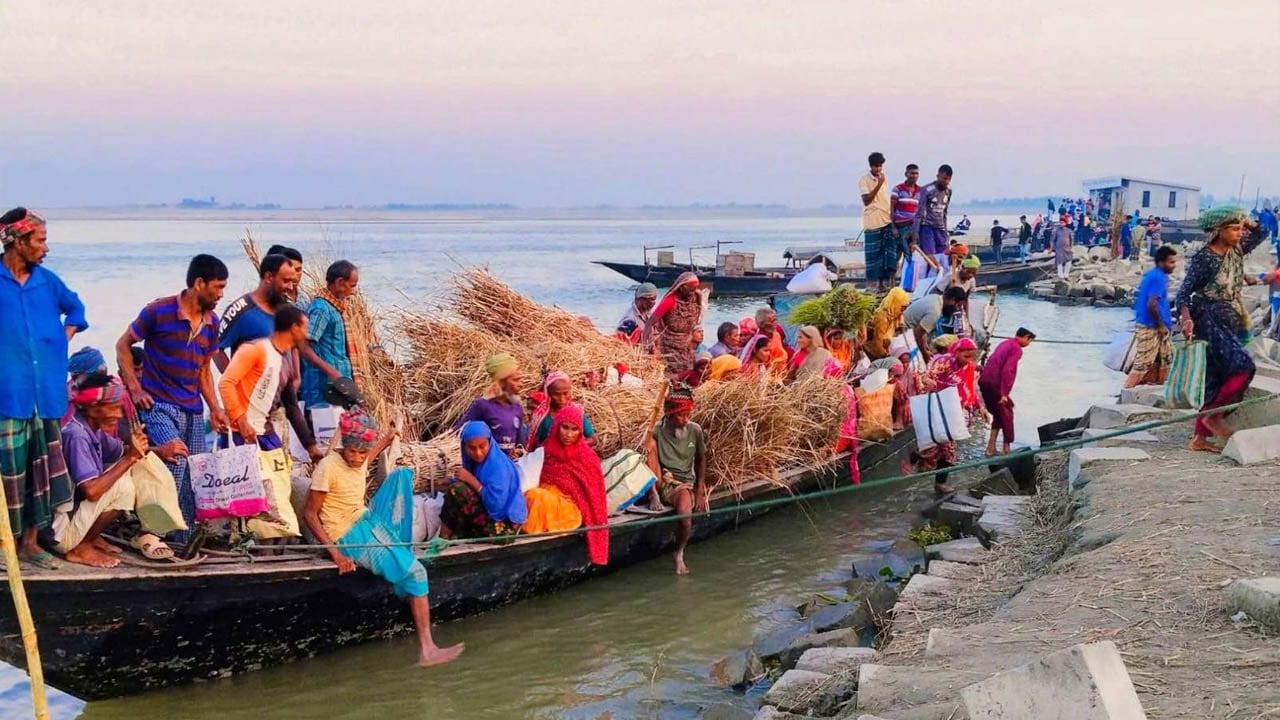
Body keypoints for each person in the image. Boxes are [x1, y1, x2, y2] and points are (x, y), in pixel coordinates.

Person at [303, 409, 463, 667]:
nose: (356, 458)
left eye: (361, 452)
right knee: (417, 573)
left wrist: (389, 438)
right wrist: (336, 554)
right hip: (347, 534)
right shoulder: (328, 467)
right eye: (351, 452)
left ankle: (405, 589)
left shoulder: (362, 457)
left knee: (400, 478)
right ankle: (427, 649)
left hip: (365, 521)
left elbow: (371, 455)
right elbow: (310, 514)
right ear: (344, 446)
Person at [116, 255, 230, 543]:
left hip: (193, 409)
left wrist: (215, 408)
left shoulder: (212, 322)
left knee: (193, 477)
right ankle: (154, 535)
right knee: (174, 462)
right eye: (217, 287)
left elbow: (204, 368)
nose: (221, 294)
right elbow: (123, 345)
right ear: (198, 283)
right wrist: (135, 387)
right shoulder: (159, 311)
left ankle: (184, 540)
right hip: (158, 405)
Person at [0, 208, 86, 569]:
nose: (45, 248)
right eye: (40, 240)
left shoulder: (48, 282)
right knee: (9, 470)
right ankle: (7, 544)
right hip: (9, 393)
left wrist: (60, 341)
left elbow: (76, 309)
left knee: (39, 473)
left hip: (45, 393)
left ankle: (31, 543)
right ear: (17, 243)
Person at [55, 377, 174, 567]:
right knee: (124, 484)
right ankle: (80, 547)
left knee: (133, 469)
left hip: (76, 520)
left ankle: (90, 539)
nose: (119, 415)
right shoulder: (76, 435)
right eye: (114, 408)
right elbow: (91, 492)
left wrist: (160, 450)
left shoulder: (92, 429)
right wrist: (130, 459)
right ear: (93, 408)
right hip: (62, 533)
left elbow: (124, 450)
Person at [1177, 208, 1267, 453]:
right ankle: (1212, 417)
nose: (1240, 233)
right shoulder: (1205, 258)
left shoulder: (1236, 250)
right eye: (1234, 229)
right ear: (1219, 231)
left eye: (1240, 229)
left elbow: (1262, 232)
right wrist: (1186, 320)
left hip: (1229, 317)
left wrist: (1244, 219)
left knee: (1216, 378)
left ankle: (1199, 438)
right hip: (1207, 316)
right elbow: (1183, 294)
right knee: (1243, 366)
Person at [218, 305, 310, 450]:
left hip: (264, 431)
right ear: (294, 328)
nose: (307, 335)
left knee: (280, 471)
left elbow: (291, 405)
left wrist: (310, 446)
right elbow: (226, 383)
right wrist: (241, 421)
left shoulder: (284, 362)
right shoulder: (255, 349)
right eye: (305, 329)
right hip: (240, 433)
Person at [645, 386, 707, 574]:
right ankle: (652, 493)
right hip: (663, 481)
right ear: (669, 416)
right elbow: (647, 459)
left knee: (685, 519)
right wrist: (655, 491)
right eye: (680, 416)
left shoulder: (694, 430)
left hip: (683, 483)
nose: (685, 420)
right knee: (650, 446)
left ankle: (679, 553)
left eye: (688, 414)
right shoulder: (656, 431)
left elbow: (701, 457)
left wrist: (700, 487)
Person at [538, 404, 609, 565]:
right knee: (534, 497)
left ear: (580, 432)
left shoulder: (588, 458)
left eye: (574, 429)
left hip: (570, 512)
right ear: (557, 426)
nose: (568, 434)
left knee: (538, 498)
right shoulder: (545, 451)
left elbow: (594, 497)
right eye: (565, 428)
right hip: (546, 503)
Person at [910, 337, 979, 494]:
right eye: (964, 350)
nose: (968, 353)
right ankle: (937, 481)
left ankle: (930, 474)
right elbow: (927, 377)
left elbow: (970, 389)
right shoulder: (945, 362)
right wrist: (929, 382)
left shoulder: (969, 367)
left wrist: (979, 407)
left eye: (971, 350)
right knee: (944, 449)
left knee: (944, 448)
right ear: (956, 351)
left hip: (952, 410)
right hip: (937, 409)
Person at [443, 422, 528, 538]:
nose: (478, 453)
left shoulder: (497, 466)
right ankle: (449, 536)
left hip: (505, 525)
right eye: (472, 448)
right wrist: (450, 481)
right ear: (465, 447)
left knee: (456, 490)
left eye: (482, 446)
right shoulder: (475, 463)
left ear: (490, 443)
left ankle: (445, 536)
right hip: (492, 515)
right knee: (455, 489)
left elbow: (496, 505)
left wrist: (471, 479)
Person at [215, 254, 301, 367]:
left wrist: (296, 377)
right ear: (269, 277)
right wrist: (233, 381)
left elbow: (293, 344)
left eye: (292, 282)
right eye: (286, 281)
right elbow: (215, 348)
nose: (290, 287)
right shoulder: (241, 309)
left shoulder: (286, 309)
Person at [300, 260, 360, 410]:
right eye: (352, 285)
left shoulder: (335, 308)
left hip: (337, 383)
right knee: (325, 429)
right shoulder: (322, 310)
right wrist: (331, 371)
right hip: (323, 386)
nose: (354, 291)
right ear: (340, 283)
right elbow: (303, 346)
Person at [1125, 246, 1178, 388]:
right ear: (1161, 262)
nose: (1174, 266)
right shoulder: (1159, 278)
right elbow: (1152, 304)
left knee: (1164, 359)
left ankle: (1158, 389)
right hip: (1151, 326)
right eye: (1171, 262)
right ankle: (1127, 391)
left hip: (1156, 325)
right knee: (1143, 363)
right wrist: (1160, 325)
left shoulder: (1154, 275)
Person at [457, 353, 526, 457]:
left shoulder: (517, 408)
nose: (521, 384)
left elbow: (520, 441)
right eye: (515, 380)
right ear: (501, 382)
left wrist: (518, 450)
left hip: (510, 466)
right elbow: (458, 432)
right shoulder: (483, 405)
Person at [979, 328, 1035, 456]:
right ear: (1026, 337)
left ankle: (990, 448)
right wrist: (1004, 393)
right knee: (1007, 414)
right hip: (995, 383)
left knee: (999, 415)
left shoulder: (1005, 343)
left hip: (985, 381)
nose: (1028, 344)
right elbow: (1008, 371)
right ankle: (1006, 449)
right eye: (1030, 341)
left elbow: (992, 360)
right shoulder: (1016, 348)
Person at [643, 272, 703, 375]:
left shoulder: (697, 297)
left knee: (688, 376)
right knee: (673, 378)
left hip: (687, 348)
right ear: (682, 287)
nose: (692, 293)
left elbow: (698, 316)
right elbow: (649, 323)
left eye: (695, 289)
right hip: (669, 349)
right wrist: (645, 345)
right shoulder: (669, 301)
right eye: (690, 290)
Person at [528, 371, 597, 450]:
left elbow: (593, 439)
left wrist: (572, 447)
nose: (562, 399)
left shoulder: (576, 412)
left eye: (565, 393)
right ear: (548, 393)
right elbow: (535, 444)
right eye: (556, 394)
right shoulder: (541, 415)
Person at [860, 152, 896, 292]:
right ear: (871, 166)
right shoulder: (864, 180)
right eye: (876, 166)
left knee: (888, 253)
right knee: (873, 256)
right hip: (873, 221)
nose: (879, 169)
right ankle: (873, 287)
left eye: (880, 166)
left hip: (886, 219)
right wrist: (878, 184)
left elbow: (885, 198)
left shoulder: (883, 177)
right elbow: (866, 200)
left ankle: (887, 285)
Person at [904, 286, 968, 363]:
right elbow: (918, 332)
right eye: (958, 305)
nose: (957, 309)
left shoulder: (936, 297)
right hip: (903, 331)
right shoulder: (935, 312)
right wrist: (924, 353)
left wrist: (925, 348)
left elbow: (923, 331)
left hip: (908, 329)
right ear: (952, 300)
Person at [912, 165, 954, 272]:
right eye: (944, 178)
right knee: (929, 256)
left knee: (942, 256)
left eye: (949, 179)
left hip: (940, 228)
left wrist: (945, 233)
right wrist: (915, 234)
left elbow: (944, 212)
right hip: (927, 227)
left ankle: (939, 282)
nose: (946, 182)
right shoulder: (927, 190)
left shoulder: (948, 191)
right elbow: (919, 213)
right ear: (938, 176)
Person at [866, 288, 912, 360]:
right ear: (896, 304)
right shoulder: (882, 318)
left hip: (885, 350)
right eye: (902, 308)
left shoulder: (894, 315)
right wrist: (887, 356)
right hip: (874, 354)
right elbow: (878, 345)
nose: (903, 311)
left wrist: (901, 324)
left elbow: (901, 328)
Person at [890, 164, 923, 259]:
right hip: (901, 227)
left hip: (913, 228)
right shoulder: (898, 189)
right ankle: (893, 273)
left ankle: (909, 274)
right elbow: (892, 209)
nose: (914, 176)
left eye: (916, 173)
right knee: (897, 256)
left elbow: (920, 212)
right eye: (912, 173)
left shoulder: (920, 191)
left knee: (912, 256)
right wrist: (893, 227)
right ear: (906, 174)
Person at [752, 307, 792, 371]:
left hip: (783, 370)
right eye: (771, 321)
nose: (775, 323)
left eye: (775, 320)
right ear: (761, 324)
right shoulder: (759, 341)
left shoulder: (776, 334)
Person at [1053, 214, 1073, 280]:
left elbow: (1071, 240)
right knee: (1059, 262)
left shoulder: (1069, 230)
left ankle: (1066, 275)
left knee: (1068, 261)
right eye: (1060, 222)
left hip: (1067, 248)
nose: (1061, 224)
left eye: (1062, 222)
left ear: (1065, 223)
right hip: (1059, 249)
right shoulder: (1056, 231)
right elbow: (1053, 240)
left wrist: (1071, 247)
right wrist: (1052, 248)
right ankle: (1060, 275)